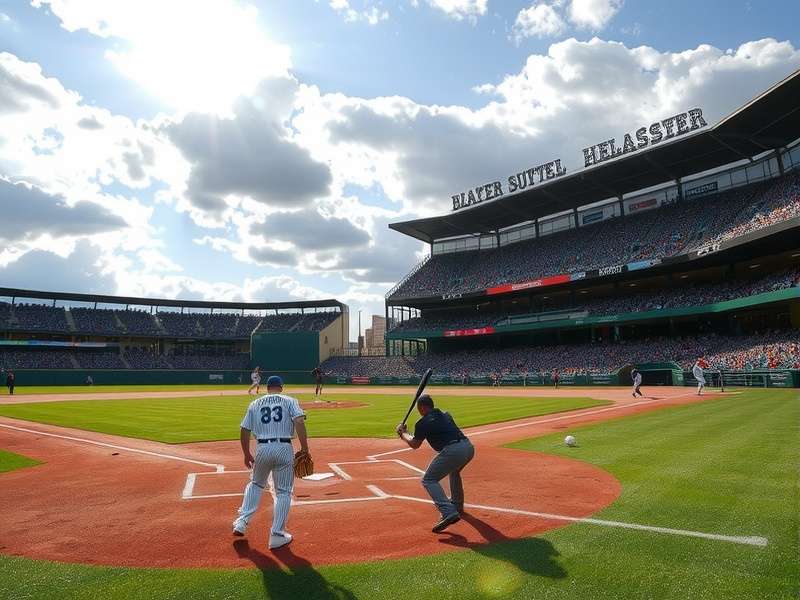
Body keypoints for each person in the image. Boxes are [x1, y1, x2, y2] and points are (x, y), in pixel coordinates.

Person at [232, 375, 309, 550]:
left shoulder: (255, 404)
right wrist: (305, 448)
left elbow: (244, 429)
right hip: (284, 447)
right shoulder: (290, 400)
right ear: (281, 387)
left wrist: (246, 453)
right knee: (283, 492)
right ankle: (277, 535)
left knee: (256, 484)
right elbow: (299, 422)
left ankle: (242, 522)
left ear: (267, 388)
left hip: (262, 448)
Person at [396, 395, 474, 533]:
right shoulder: (445, 414)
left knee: (428, 479)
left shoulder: (423, 422)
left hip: (454, 451)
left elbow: (415, 444)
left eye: (419, 409)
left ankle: (448, 512)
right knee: (454, 471)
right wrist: (406, 432)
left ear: (422, 407)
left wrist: (403, 433)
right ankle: (457, 504)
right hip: (468, 447)